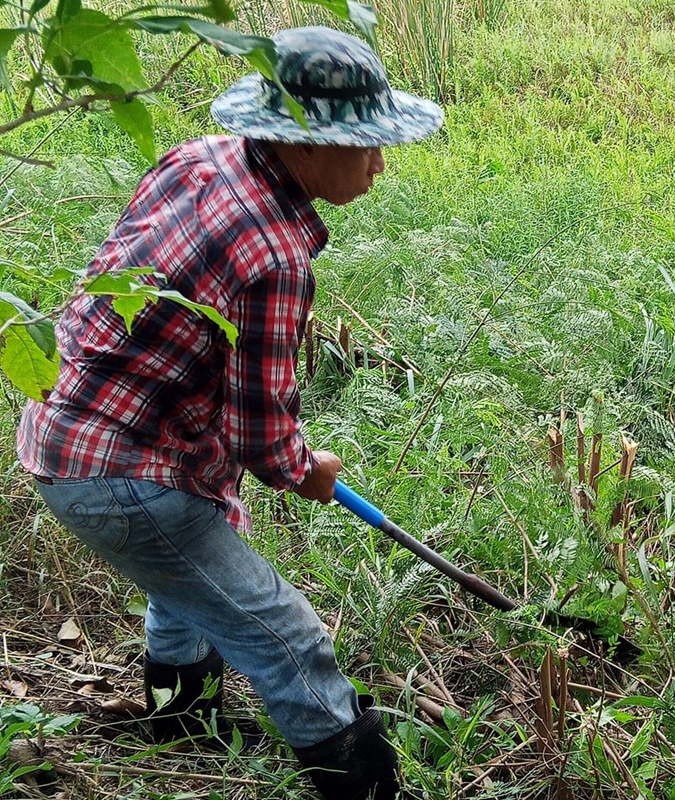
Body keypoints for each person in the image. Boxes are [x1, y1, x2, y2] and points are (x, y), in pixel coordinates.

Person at [17, 26, 443, 800]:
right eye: (365, 145)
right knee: (287, 639)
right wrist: (304, 469)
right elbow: (260, 437)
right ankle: (369, 789)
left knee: (184, 578)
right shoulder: (275, 254)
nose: (380, 164)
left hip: (70, 422)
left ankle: (182, 726)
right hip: (118, 470)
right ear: (301, 143)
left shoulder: (202, 156)